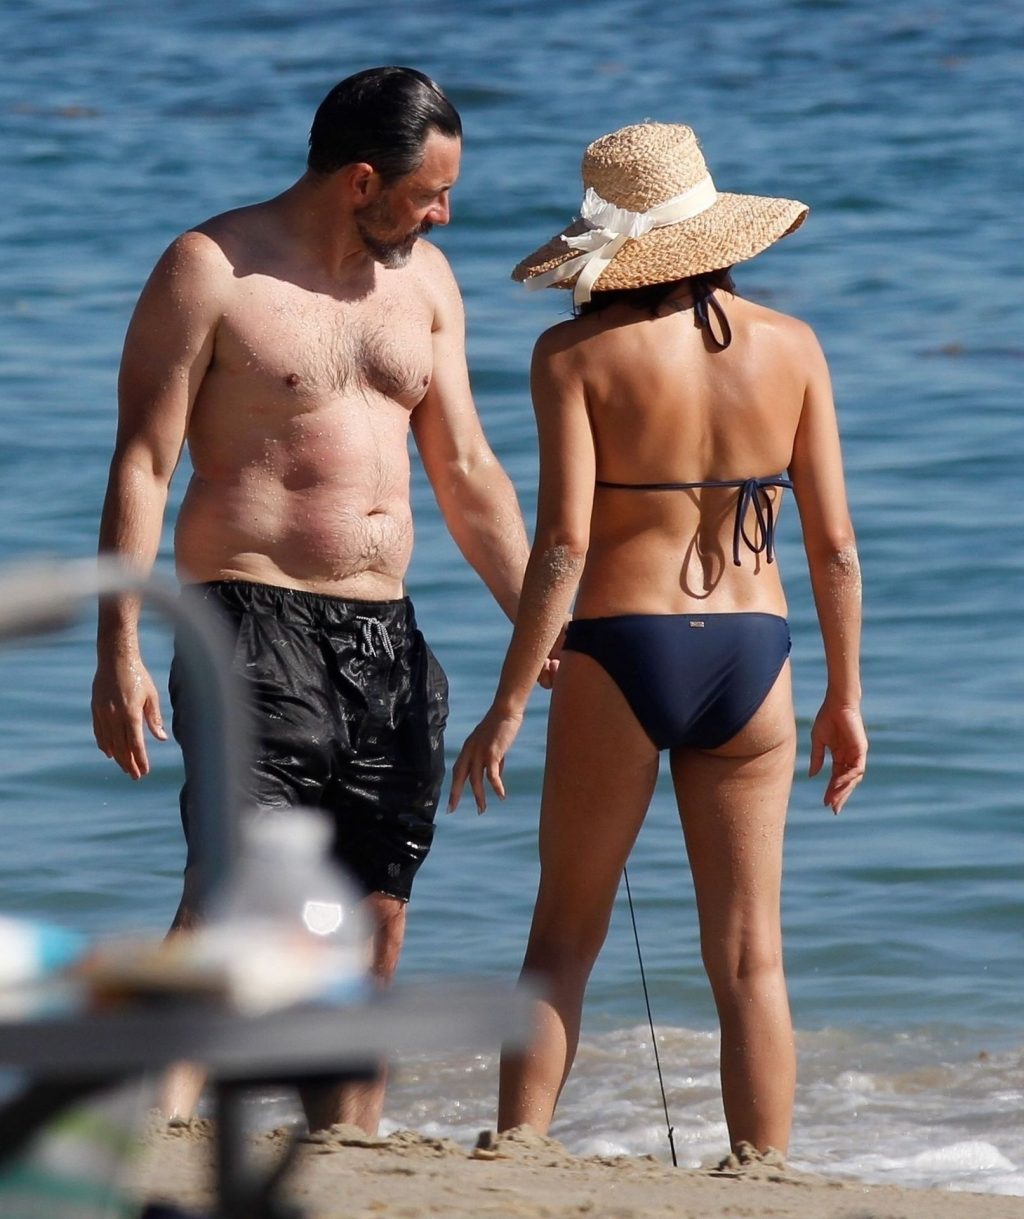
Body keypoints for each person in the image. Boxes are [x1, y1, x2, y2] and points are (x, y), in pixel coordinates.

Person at [91, 66, 535, 1135]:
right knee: (234, 891)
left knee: (377, 906)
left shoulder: (426, 283)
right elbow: (144, 461)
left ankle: (350, 1140)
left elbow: (467, 468)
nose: (444, 214)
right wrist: (120, 645)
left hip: (387, 633)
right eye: (430, 193)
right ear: (361, 180)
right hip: (249, 619)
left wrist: (538, 618)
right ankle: (156, 1129)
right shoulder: (212, 268)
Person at [449, 121, 867, 1156]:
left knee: (561, 939)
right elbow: (835, 547)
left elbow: (563, 544)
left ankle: (519, 1157)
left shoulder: (570, 356)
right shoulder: (795, 346)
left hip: (623, 648)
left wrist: (508, 701)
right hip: (755, 655)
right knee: (751, 958)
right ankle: (765, 1174)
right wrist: (845, 695)